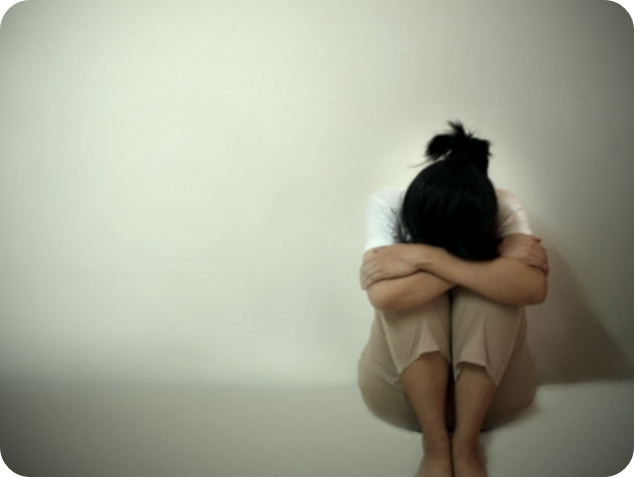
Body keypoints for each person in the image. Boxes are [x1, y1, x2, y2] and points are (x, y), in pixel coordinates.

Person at [357, 121, 549, 477]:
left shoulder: (500, 204)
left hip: (496, 400)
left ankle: (466, 446)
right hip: (399, 397)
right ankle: (435, 446)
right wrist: (489, 257)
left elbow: (533, 289)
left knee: (489, 300)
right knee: (416, 302)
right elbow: (384, 295)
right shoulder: (389, 204)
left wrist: (424, 257)